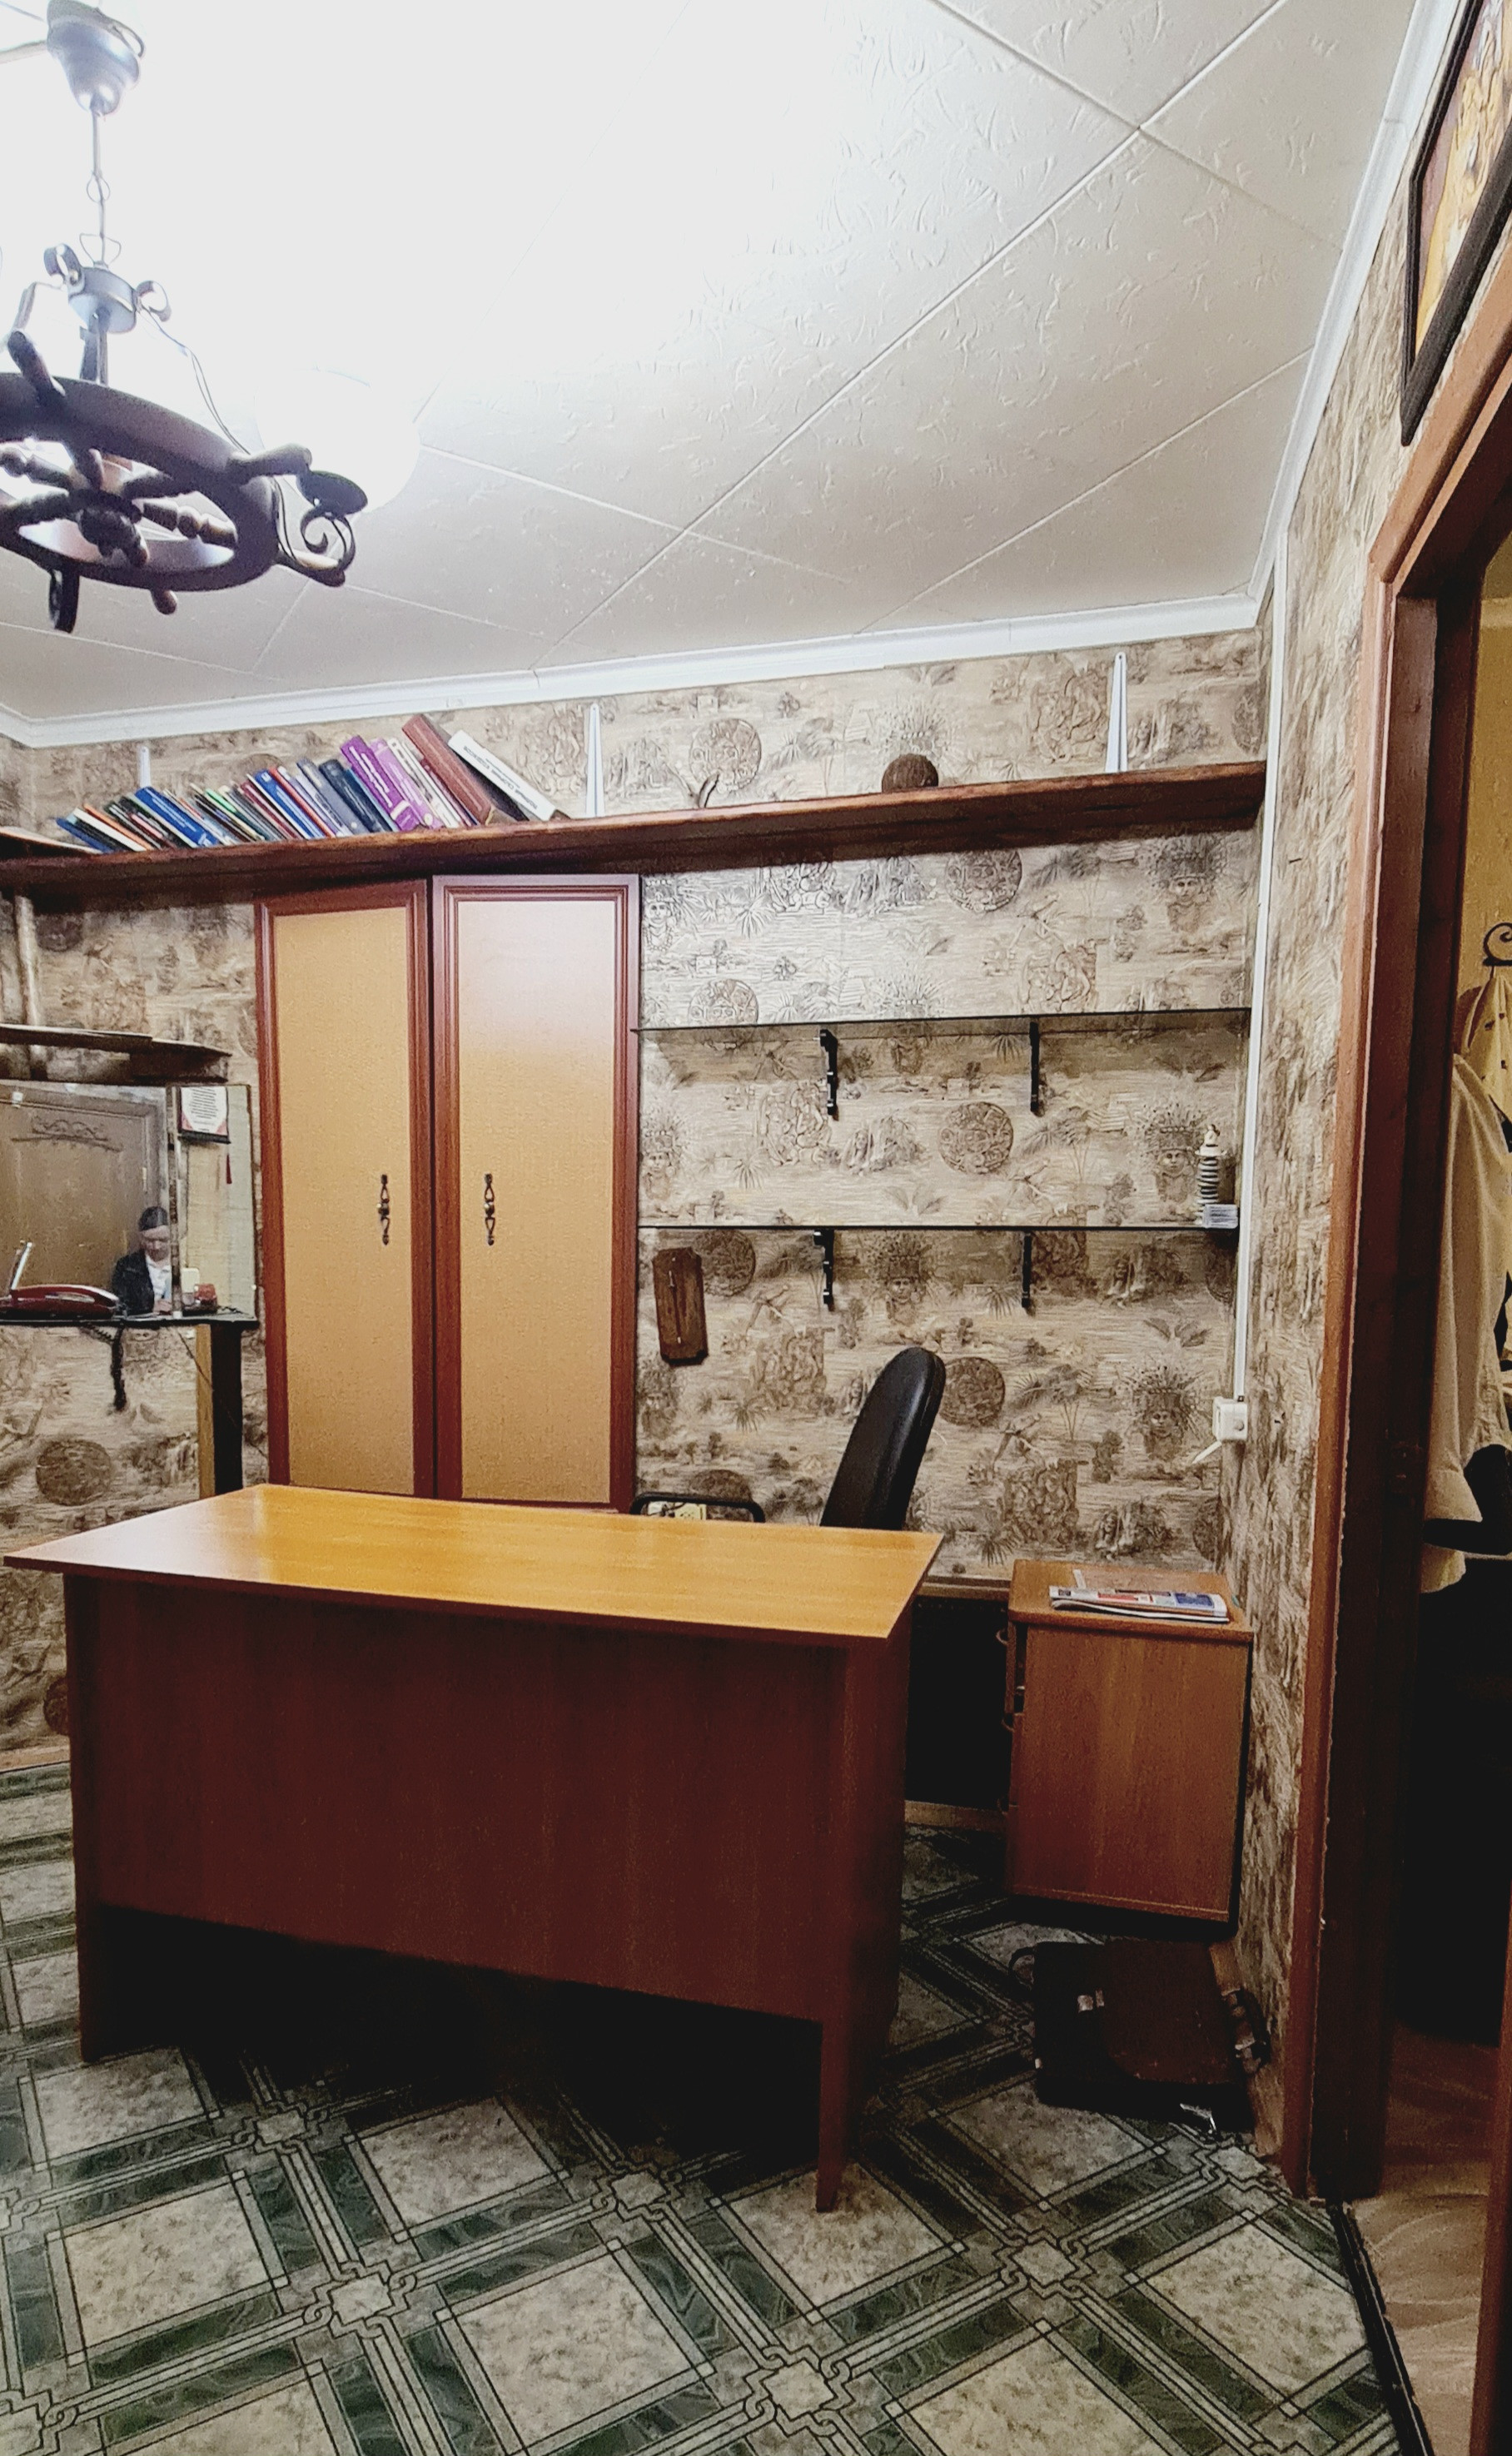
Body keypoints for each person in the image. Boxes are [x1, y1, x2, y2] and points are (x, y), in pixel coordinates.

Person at [112, 1206, 172, 1316]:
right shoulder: (127, 1267)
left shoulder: (183, 1264)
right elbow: (119, 1305)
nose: (156, 1247)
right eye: (150, 1240)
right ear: (141, 1238)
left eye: (163, 1240)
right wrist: (148, 1308)